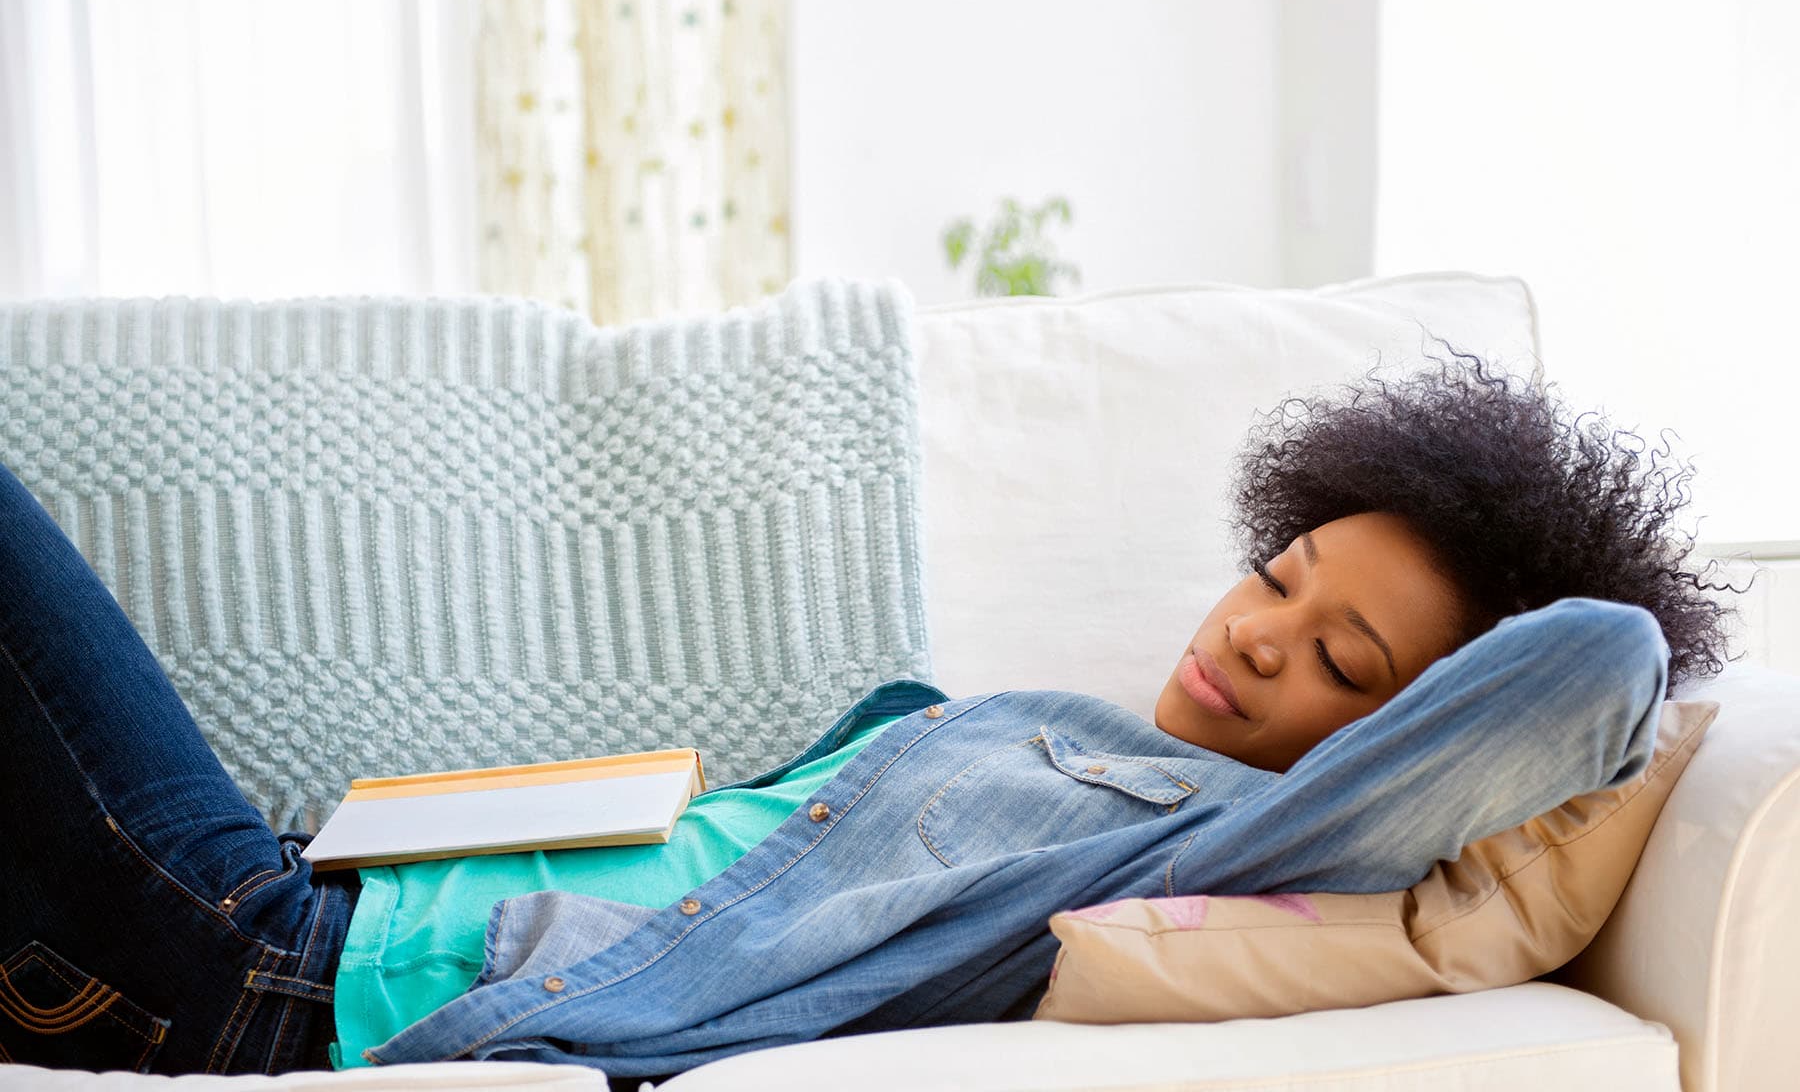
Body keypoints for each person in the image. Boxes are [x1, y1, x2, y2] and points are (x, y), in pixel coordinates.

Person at [0, 351, 1733, 1079]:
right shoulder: (1066, 725)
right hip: (306, 897)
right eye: (1280, 572)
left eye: (1346, 668)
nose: (1262, 636)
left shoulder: (1226, 847)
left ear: (1396, 756)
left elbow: (1590, 667)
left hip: (279, 971)